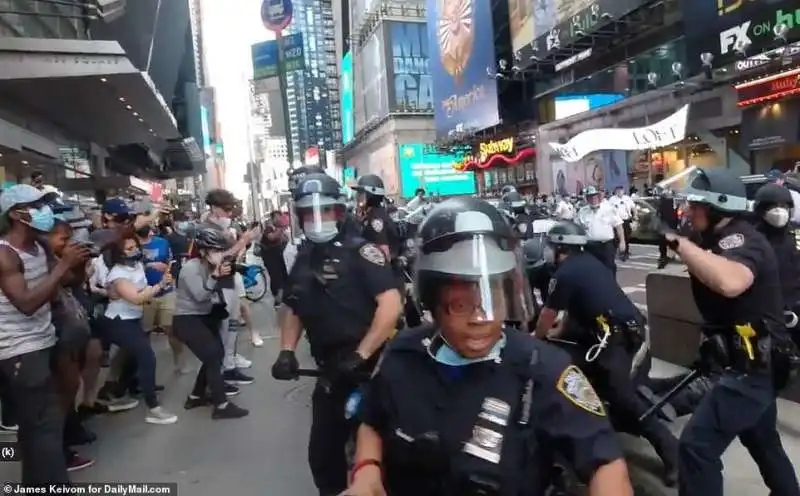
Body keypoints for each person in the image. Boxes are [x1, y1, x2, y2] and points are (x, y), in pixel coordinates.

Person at [342, 197, 632, 496]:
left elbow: (606, 462)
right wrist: (367, 470)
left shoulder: (543, 370)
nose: (481, 319)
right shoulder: (404, 357)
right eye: (460, 305)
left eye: (494, 302)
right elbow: (372, 420)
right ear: (432, 303)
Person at [663, 168, 800, 496]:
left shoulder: (741, 237)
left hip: (753, 369)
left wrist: (680, 243)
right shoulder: (718, 238)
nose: (691, 210)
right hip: (751, 364)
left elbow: (731, 282)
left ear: (718, 206)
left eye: (697, 204)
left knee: (696, 448)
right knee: (763, 441)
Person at [270, 173, 403, 496]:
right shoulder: (303, 258)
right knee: (323, 456)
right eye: (310, 213)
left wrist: (363, 353)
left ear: (339, 212)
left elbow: (390, 305)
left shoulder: (362, 253)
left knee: (381, 454)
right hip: (330, 369)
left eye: (325, 211)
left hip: (371, 368)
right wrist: (287, 350)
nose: (318, 219)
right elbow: (294, 306)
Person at [533, 221, 679, 485]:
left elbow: (548, 315)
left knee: (624, 398)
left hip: (619, 338)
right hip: (617, 333)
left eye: (552, 245)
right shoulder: (587, 263)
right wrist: (557, 333)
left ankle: (672, 452)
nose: (549, 250)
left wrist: (536, 338)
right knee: (611, 387)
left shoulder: (565, 274)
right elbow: (576, 310)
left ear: (560, 247)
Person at [0, 184, 91, 483]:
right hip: (20, 351)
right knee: (45, 427)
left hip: (46, 339)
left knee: (38, 427)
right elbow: (26, 303)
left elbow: (62, 283)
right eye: (37, 205)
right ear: (16, 214)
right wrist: (63, 264)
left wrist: (79, 262)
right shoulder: (5, 255)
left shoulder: (40, 246)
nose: (44, 211)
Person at [172, 225, 249, 420]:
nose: (219, 255)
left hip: (206, 316)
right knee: (213, 355)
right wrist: (216, 276)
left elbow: (224, 290)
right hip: (187, 318)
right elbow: (200, 295)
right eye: (215, 251)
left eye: (220, 251)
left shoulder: (214, 266)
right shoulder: (191, 268)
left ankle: (196, 395)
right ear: (204, 252)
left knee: (215, 354)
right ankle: (221, 404)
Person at [103, 234, 178, 425]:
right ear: (119, 254)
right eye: (128, 249)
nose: (134, 250)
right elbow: (135, 297)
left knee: (131, 359)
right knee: (146, 356)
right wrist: (159, 285)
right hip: (119, 321)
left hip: (133, 318)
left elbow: (144, 291)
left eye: (134, 247)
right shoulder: (118, 274)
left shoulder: (136, 266)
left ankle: (115, 393)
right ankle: (153, 408)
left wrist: (161, 285)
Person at [136, 224, 187, 373]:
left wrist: (167, 269)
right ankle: (144, 366)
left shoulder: (162, 242)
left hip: (166, 291)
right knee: (144, 332)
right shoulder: (131, 244)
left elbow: (170, 262)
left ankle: (179, 359)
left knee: (172, 328)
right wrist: (149, 265)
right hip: (143, 293)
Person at [753, 183, 800, 336]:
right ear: (760, 210)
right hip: (766, 313)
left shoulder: (796, 233)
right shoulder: (752, 237)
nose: (779, 211)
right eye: (772, 206)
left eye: (783, 205)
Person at [575, 186, 624, 274]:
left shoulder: (608, 209)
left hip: (606, 246)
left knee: (609, 268)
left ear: (598, 197)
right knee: (591, 271)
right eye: (590, 197)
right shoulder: (582, 212)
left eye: (595, 196)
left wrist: (622, 242)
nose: (593, 199)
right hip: (589, 247)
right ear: (586, 198)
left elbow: (618, 226)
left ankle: (610, 287)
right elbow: (577, 229)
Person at [352, 174, 400, 262]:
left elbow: (383, 254)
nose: (357, 196)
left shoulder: (376, 219)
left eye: (361, 193)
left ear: (371, 195)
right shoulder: (369, 214)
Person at [259, 210, 290, 308]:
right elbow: (272, 238)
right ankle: (278, 299)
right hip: (270, 257)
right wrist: (282, 228)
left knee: (283, 276)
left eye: (280, 217)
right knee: (276, 277)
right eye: (277, 217)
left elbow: (285, 240)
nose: (279, 219)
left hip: (280, 256)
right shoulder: (269, 228)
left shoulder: (281, 228)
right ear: (272, 218)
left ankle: (283, 298)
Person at [608, 186, 636, 261]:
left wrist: (635, 216)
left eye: (621, 190)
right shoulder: (612, 199)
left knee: (626, 237)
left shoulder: (627, 198)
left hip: (626, 220)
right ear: (616, 191)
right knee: (616, 238)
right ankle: (617, 251)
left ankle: (625, 253)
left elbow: (633, 207)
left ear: (623, 191)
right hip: (616, 222)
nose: (620, 192)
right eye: (618, 190)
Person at [657, 190, 678, 269]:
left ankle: (663, 257)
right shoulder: (673, 202)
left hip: (664, 225)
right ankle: (666, 257)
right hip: (671, 225)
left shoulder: (662, 202)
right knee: (670, 242)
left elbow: (659, 214)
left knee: (663, 243)